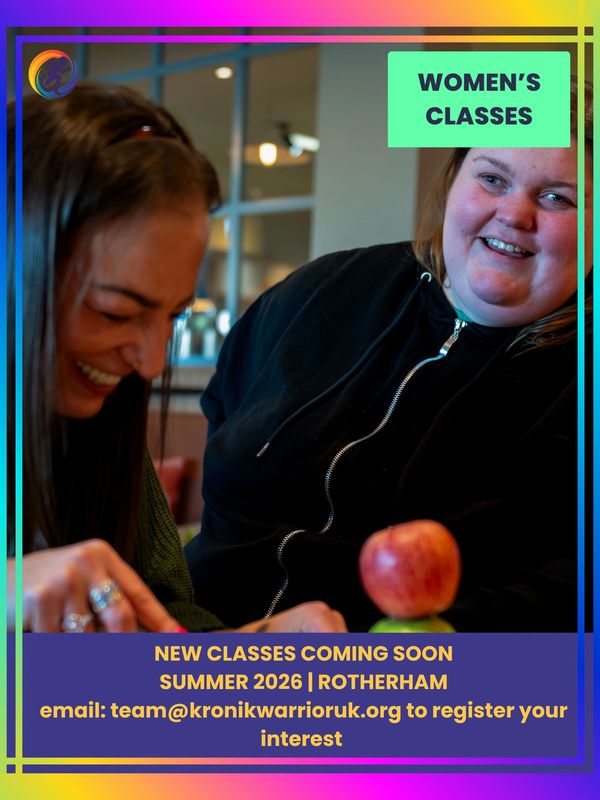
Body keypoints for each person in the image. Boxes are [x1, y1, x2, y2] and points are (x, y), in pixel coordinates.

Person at [186, 78, 592, 632]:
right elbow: (225, 407)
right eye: (492, 179)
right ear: (453, 182)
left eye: (557, 198)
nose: (514, 214)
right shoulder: (324, 290)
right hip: (197, 641)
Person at [7, 82, 346, 634]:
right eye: (114, 312)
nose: (149, 363)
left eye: (173, 316)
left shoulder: (102, 416)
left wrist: (249, 647)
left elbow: (162, 625)